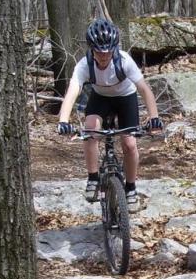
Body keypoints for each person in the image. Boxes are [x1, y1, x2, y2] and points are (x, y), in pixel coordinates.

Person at [57, 18, 163, 212]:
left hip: (126, 97)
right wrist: (63, 120)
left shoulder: (123, 61)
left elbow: (144, 90)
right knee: (91, 130)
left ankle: (130, 189)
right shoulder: (84, 65)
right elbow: (73, 91)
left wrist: (154, 117)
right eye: (99, 52)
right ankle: (93, 178)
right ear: (91, 49)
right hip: (100, 98)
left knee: (129, 143)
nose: (104, 56)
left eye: (108, 52)